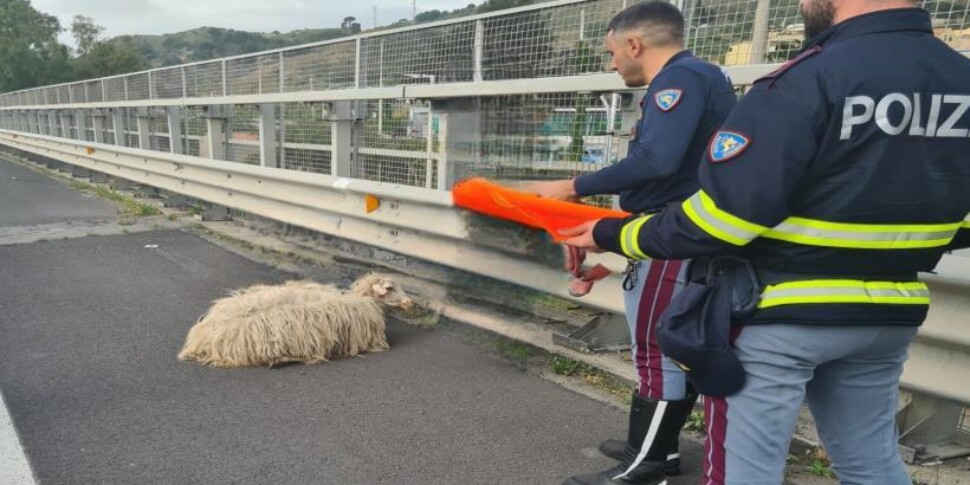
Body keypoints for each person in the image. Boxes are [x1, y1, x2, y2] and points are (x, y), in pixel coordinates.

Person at [560, 0, 970, 482]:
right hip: (890, 309)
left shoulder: (804, 81)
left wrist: (613, 233)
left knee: (745, 472)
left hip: (781, 311)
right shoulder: (959, 77)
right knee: (871, 463)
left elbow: (721, 220)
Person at [527, 2, 737, 484]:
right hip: (679, 229)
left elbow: (658, 161)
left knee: (656, 347)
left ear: (633, 44)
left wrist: (574, 186)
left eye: (611, 53)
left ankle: (647, 465)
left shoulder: (678, 81)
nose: (612, 64)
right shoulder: (705, 77)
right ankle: (653, 447)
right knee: (669, 342)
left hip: (671, 232)